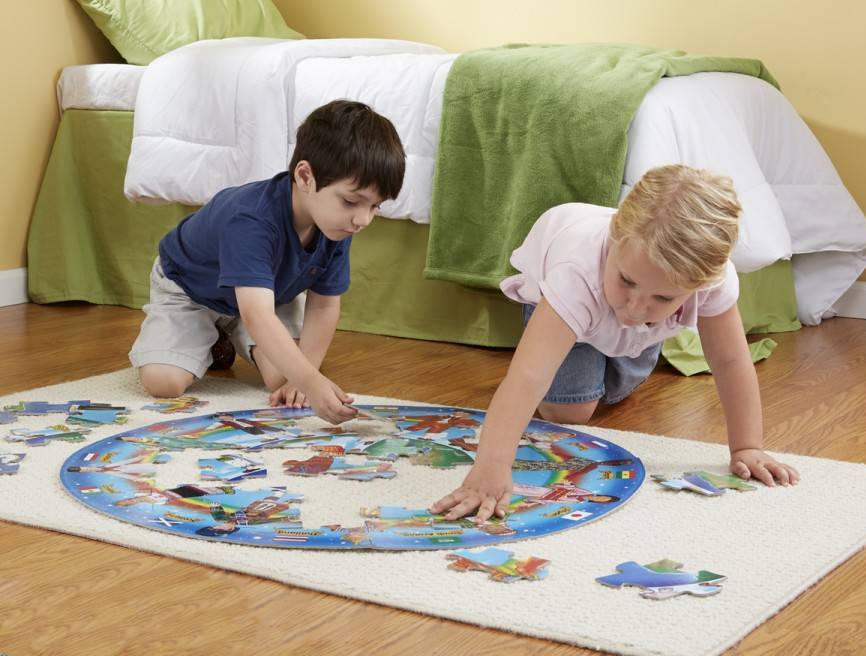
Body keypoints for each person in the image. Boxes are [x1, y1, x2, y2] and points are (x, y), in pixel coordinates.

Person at [432, 165, 800, 523]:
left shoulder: (712, 280)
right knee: (571, 413)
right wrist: (492, 467)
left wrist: (747, 446)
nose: (636, 307)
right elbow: (528, 376)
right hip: (568, 303)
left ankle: (625, 337)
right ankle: (588, 336)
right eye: (627, 280)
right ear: (613, 241)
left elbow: (731, 361)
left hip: (631, 326)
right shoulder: (575, 271)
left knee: (620, 366)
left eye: (663, 297)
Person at [129, 100, 405, 423]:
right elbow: (257, 314)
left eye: (375, 207)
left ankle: (227, 334)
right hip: (191, 290)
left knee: (285, 377)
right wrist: (312, 383)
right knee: (164, 382)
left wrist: (306, 377)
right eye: (351, 201)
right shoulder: (251, 219)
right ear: (305, 176)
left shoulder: (338, 224)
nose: (363, 220)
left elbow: (324, 304)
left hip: (265, 298)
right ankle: (210, 334)